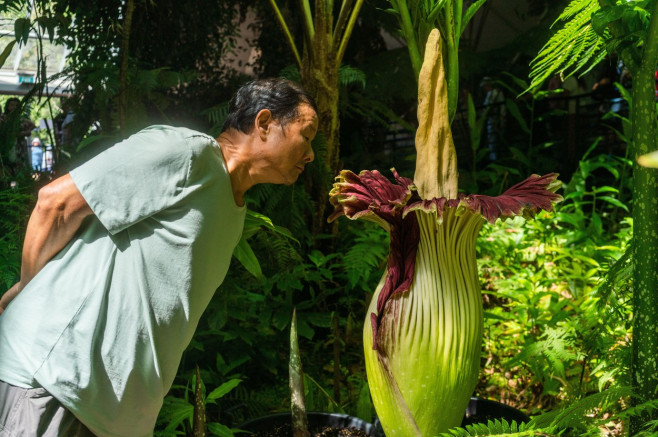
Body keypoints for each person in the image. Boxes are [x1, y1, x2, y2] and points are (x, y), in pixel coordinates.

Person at [0, 78, 318, 437]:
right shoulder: (187, 153)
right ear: (263, 123)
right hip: (58, 382)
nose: (310, 155)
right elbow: (55, 204)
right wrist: (29, 289)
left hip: (113, 416)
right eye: (306, 136)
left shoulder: (234, 210)